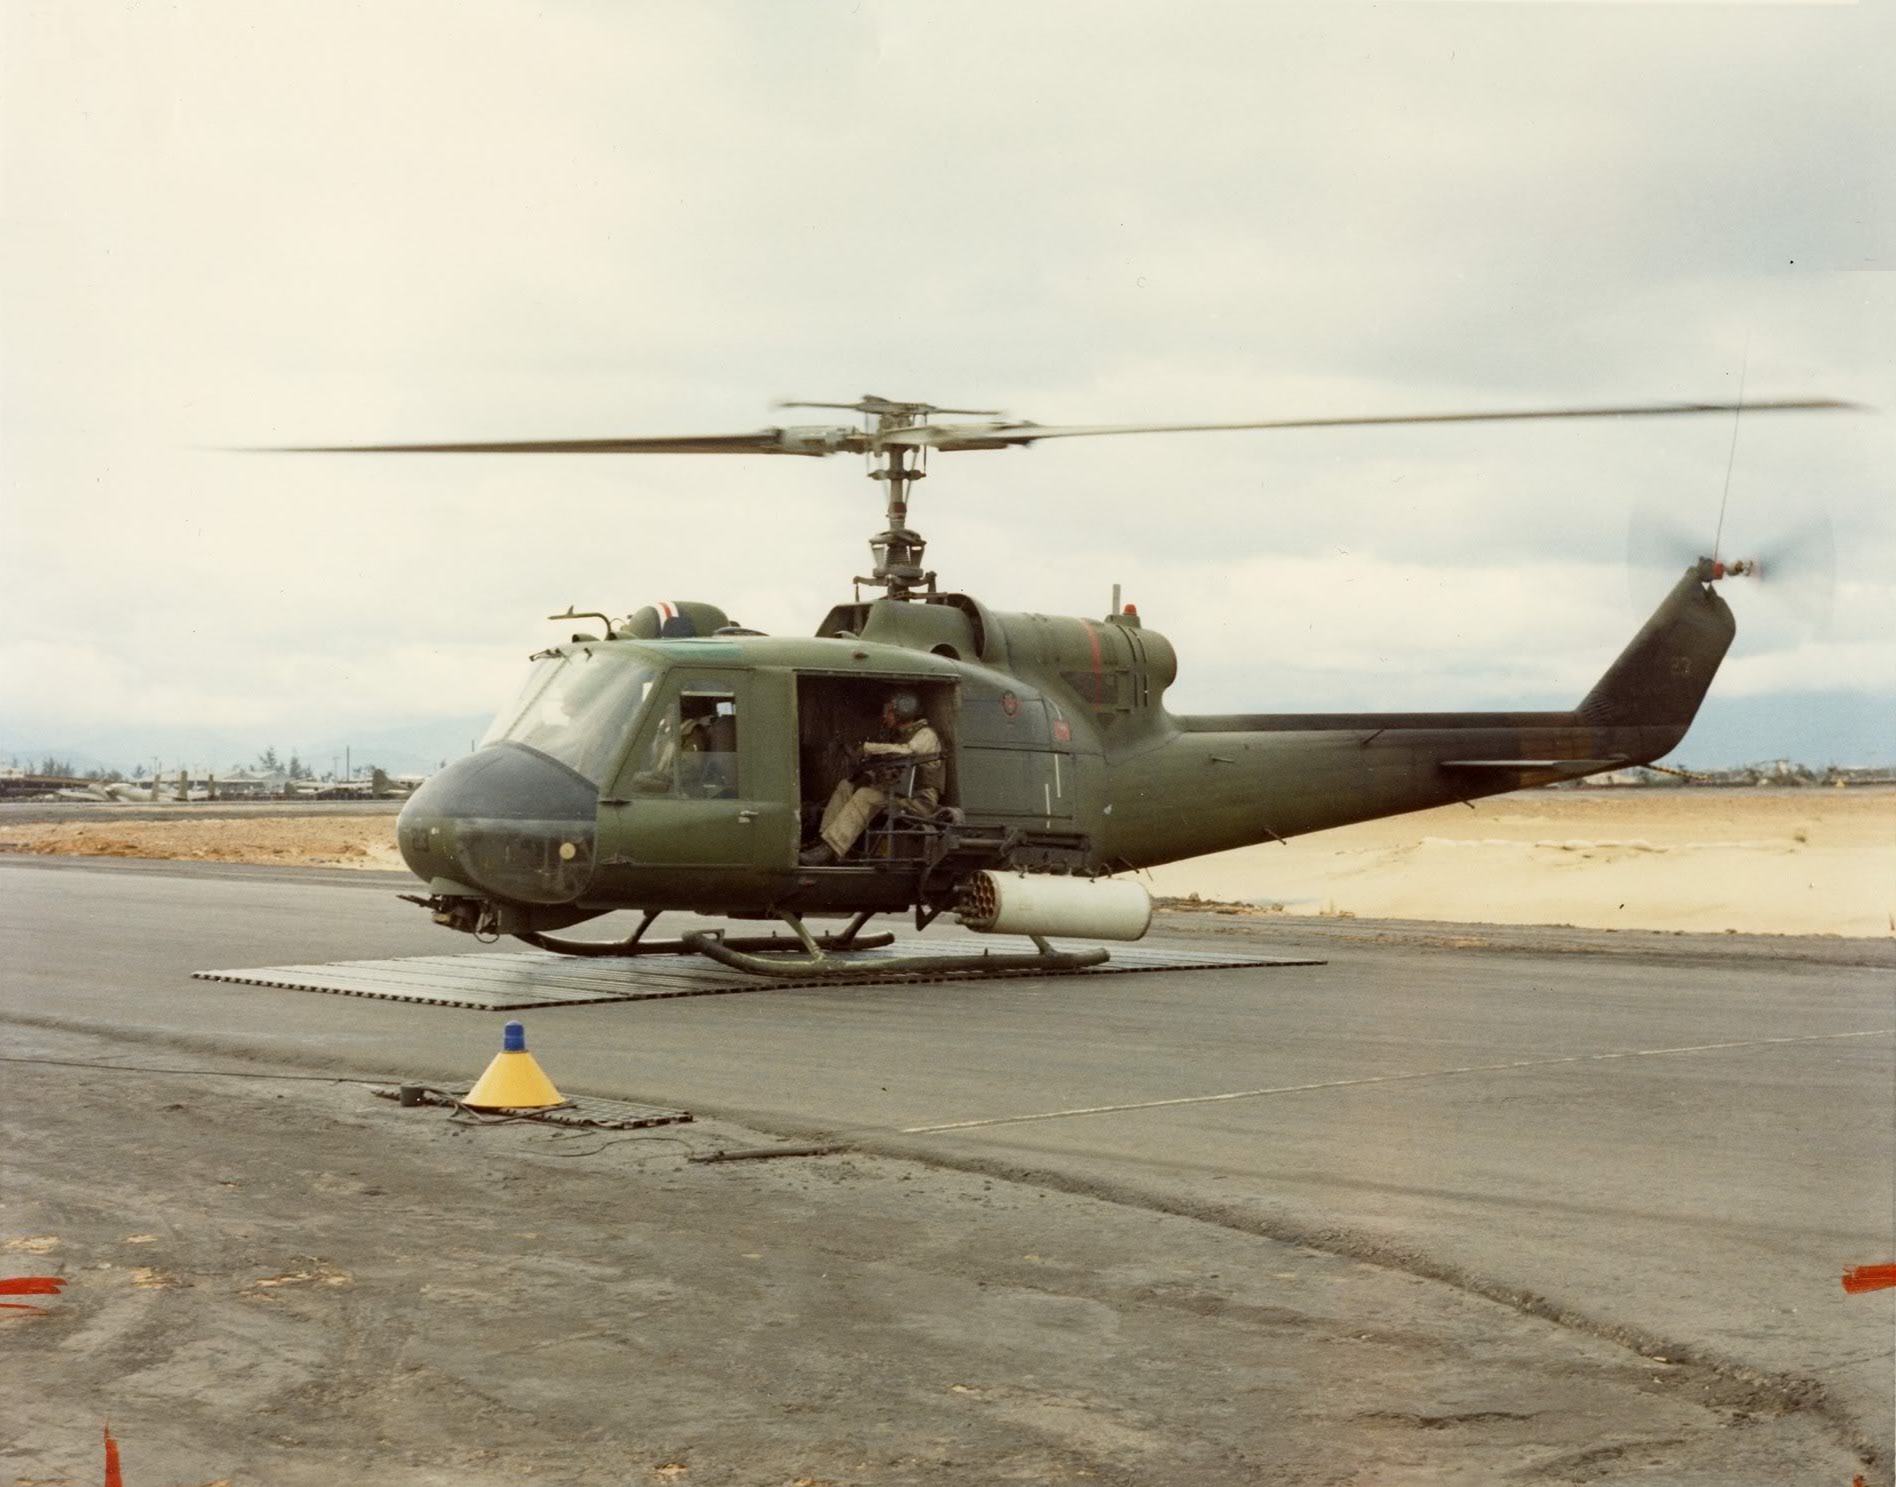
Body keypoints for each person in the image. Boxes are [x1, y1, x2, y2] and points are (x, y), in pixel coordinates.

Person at [800, 691, 943, 865]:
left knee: (865, 796)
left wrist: (869, 748)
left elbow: (908, 751)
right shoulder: (899, 737)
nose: (885, 716)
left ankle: (832, 847)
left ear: (903, 712)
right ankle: (824, 841)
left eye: (889, 712)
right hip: (900, 796)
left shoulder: (926, 734)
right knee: (846, 786)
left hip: (920, 801)